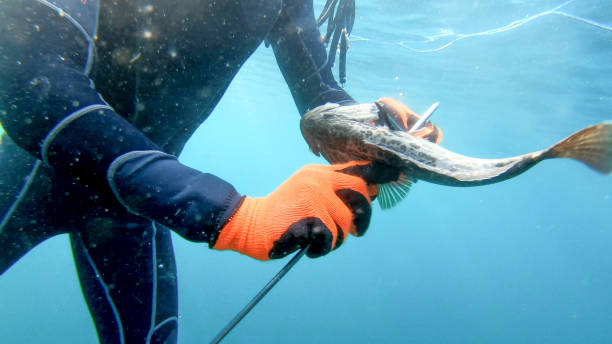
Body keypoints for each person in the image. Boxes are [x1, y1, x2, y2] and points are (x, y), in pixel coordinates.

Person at [0, 0, 441, 343]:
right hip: (35, 178)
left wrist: (370, 127)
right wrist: (232, 216)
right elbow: (30, 86)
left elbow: (319, 92)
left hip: (136, 208)